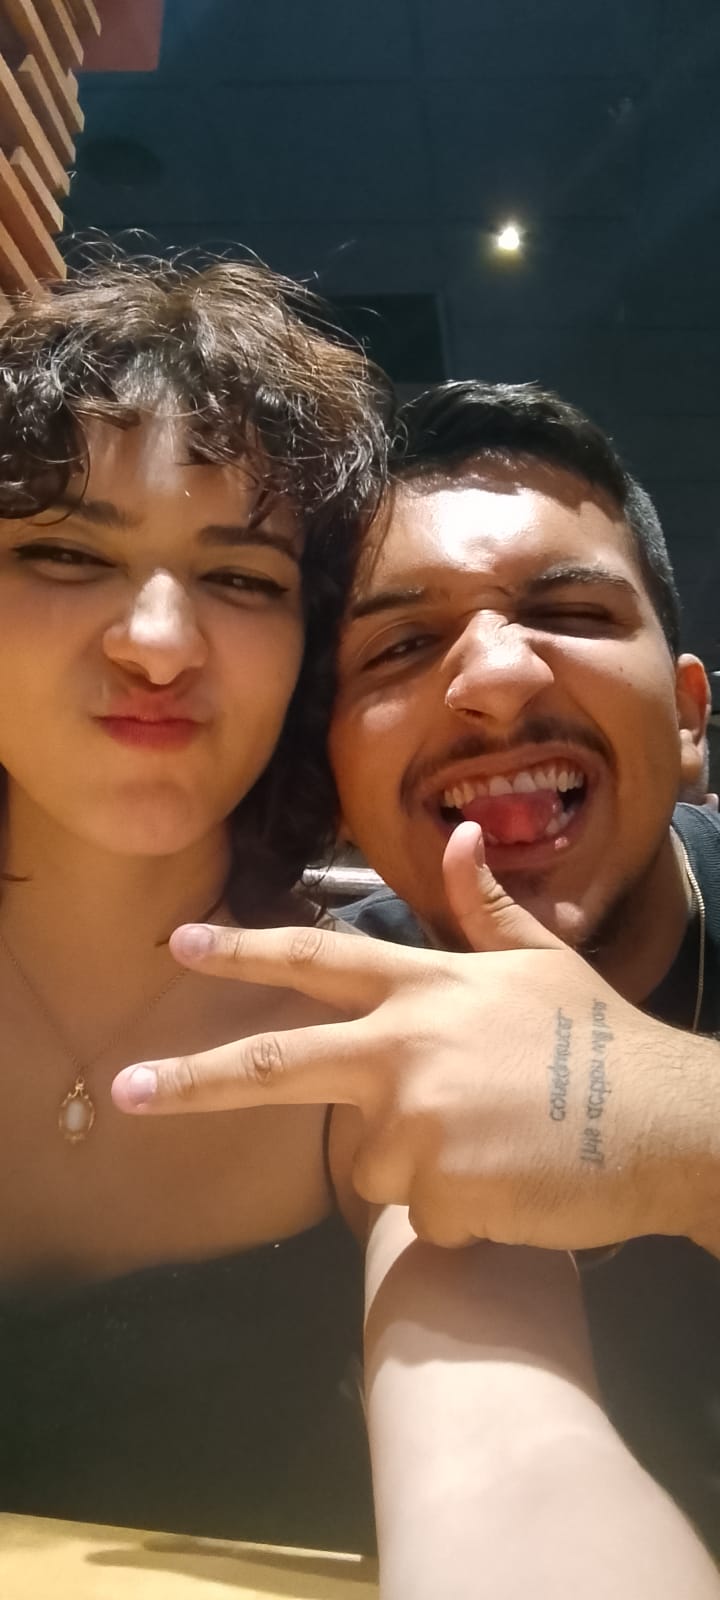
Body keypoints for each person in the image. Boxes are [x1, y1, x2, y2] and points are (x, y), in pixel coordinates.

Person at [6, 277, 717, 1598]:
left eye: (241, 576)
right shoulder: (404, 986)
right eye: (62, 553)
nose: (156, 643)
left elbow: (517, 1461)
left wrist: (684, 1117)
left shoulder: (374, 1043)